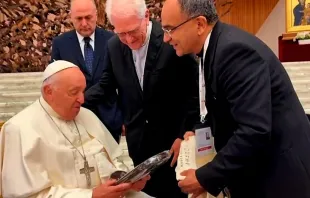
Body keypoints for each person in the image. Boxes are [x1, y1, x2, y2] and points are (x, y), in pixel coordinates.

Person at [161, 0, 310, 197]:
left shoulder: (233, 51)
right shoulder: (214, 46)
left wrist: (204, 177)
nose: (165, 38)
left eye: (170, 29)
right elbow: (221, 104)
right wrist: (198, 131)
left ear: (199, 24)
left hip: (278, 174)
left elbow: (254, 130)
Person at [83, 0, 199, 197]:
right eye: (121, 33)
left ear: (145, 16)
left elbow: (195, 91)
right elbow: (106, 85)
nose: (128, 39)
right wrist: (77, 99)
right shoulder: (113, 47)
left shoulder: (171, 40)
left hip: (174, 144)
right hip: (139, 146)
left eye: (132, 31)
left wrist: (185, 134)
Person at [0, 60, 151, 198]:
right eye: (73, 92)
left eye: (83, 91)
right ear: (48, 91)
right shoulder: (20, 129)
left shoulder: (86, 115)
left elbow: (113, 160)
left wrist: (126, 180)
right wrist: (91, 196)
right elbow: (26, 195)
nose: (82, 99)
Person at [50, 0, 123, 143]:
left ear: (96, 15)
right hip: (75, 120)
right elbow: (55, 80)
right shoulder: (60, 44)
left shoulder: (113, 40)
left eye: (88, 17)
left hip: (109, 120)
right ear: (71, 17)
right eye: (79, 18)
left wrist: (125, 117)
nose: (84, 23)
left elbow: (122, 81)